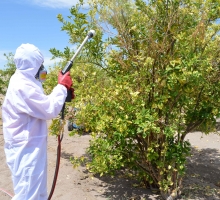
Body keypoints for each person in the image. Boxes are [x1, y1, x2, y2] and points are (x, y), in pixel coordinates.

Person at [2, 43, 74, 200]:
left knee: (38, 192)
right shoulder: (21, 86)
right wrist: (61, 87)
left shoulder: (26, 81)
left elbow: (43, 103)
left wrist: (62, 94)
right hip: (25, 149)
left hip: (32, 146)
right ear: (31, 65)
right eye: (39, 64)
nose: (42, 68)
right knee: (28, 194)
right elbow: (48, 108)